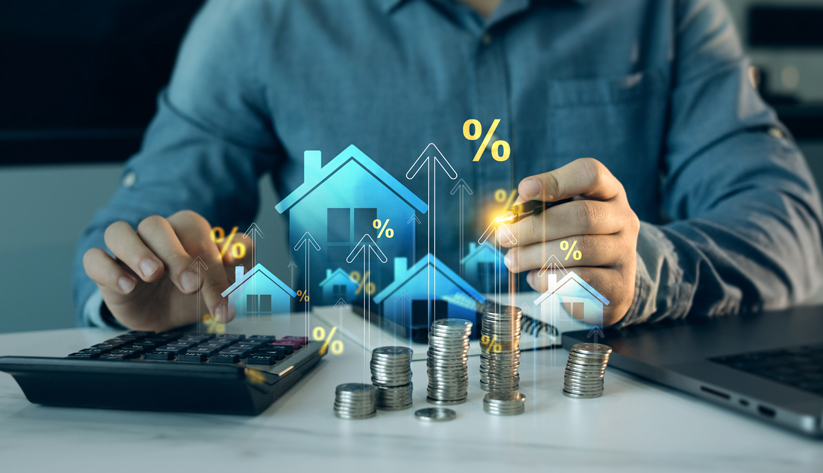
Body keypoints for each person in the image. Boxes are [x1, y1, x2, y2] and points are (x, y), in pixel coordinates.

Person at [74, 0, 823, 332]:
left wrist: (645, 269)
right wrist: (133, 296)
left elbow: (788, 232)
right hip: (348, 432)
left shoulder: (665, 12)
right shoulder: (257, 20)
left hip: (616, 424)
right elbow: (129, 235)